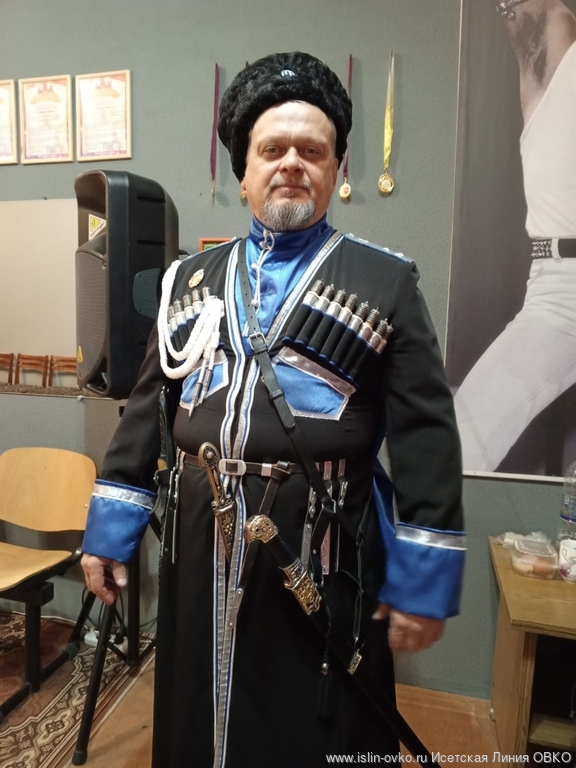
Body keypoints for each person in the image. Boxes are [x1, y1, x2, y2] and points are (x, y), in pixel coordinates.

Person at [81, 52, 465, 768]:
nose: (291, 163)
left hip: (322, 548)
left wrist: (422, 580)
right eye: (272, 150)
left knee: (312, 729)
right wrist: (110, 531)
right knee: (198, 715)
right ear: (244, 171)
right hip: (201, 542)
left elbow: (426, 437)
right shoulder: (186, 280)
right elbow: (146, 411)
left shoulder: (385, 281)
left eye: (311, 151)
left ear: (337, 168)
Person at [454, 0, 576, 473]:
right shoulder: (535, 67)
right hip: (557, 287)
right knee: (464, 436)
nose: (507, 8)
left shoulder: (558, 28)